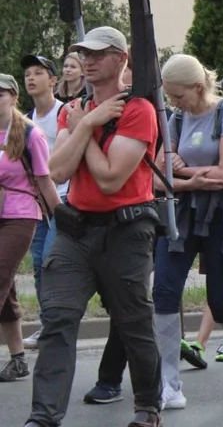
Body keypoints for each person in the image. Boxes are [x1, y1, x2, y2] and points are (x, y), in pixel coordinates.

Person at [27, 26, 162, 427]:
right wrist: (87, 124)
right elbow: (56, 169)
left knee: (133, 323)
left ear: (120, 59)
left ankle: (147, 407)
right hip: (76, 231)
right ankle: (43, 417)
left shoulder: (139, 110)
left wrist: (83, 128)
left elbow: (109, 179)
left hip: (126, 231)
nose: (87, 60)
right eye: (83, 53)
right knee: (57, 320)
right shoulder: (76, 111)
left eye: (98, 53)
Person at [152, 55, 223, 409]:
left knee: (220, 299)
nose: (172, 103)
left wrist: (182, 172)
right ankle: (169, 384)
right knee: (164, 292)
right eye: (168, 97)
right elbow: (157, 173)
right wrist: (192, 179)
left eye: (177, 96)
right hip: (183, 212)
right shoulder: (177, 117)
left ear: (198, 88)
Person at [0, 74, 60, 383]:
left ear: (12, 96)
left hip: (21, 215)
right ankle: (18, 359)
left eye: (0, 94)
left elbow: (44, 179)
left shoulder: (29, 134)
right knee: (7, 291)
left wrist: (61, 219)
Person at [19, 56, 66, 351]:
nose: (31, 78)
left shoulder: (66, 113)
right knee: (38, 264)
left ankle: (59, 321)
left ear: (53, 80)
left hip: (63, 199)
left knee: (52, 261)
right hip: (36, 203)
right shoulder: (24, 120)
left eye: (39, 73)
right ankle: (49, 323)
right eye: (27, 74)